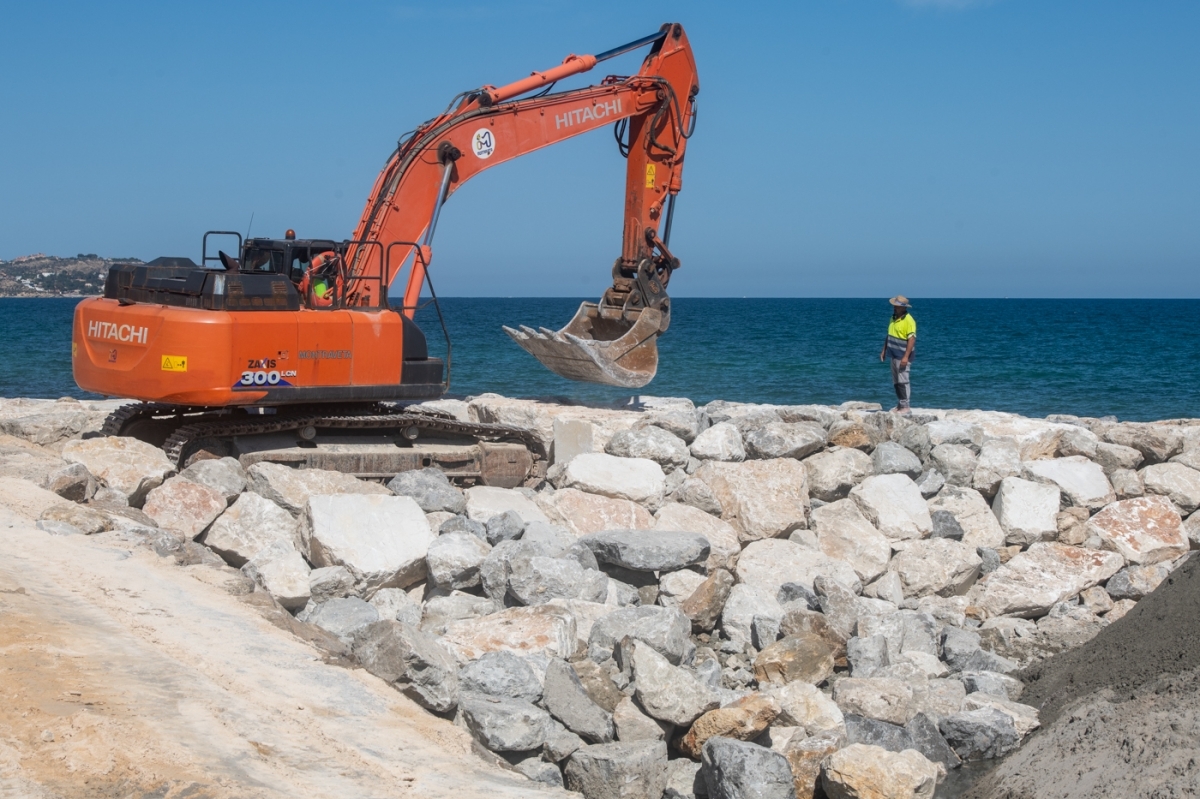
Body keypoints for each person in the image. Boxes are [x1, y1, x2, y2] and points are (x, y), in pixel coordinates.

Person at [879, 295, 916, 413]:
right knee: (896, 382)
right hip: (893, 354)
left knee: (903, 381)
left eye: (897, 306)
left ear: (903, 307)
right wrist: (884, 350)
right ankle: (900, 404)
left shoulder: (909, 320)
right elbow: (889, 335)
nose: (895, 308)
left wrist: (906, 357)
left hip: (902, 355)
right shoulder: (893, 318)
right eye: (894, 306)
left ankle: (906, 406)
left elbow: (912, 339)